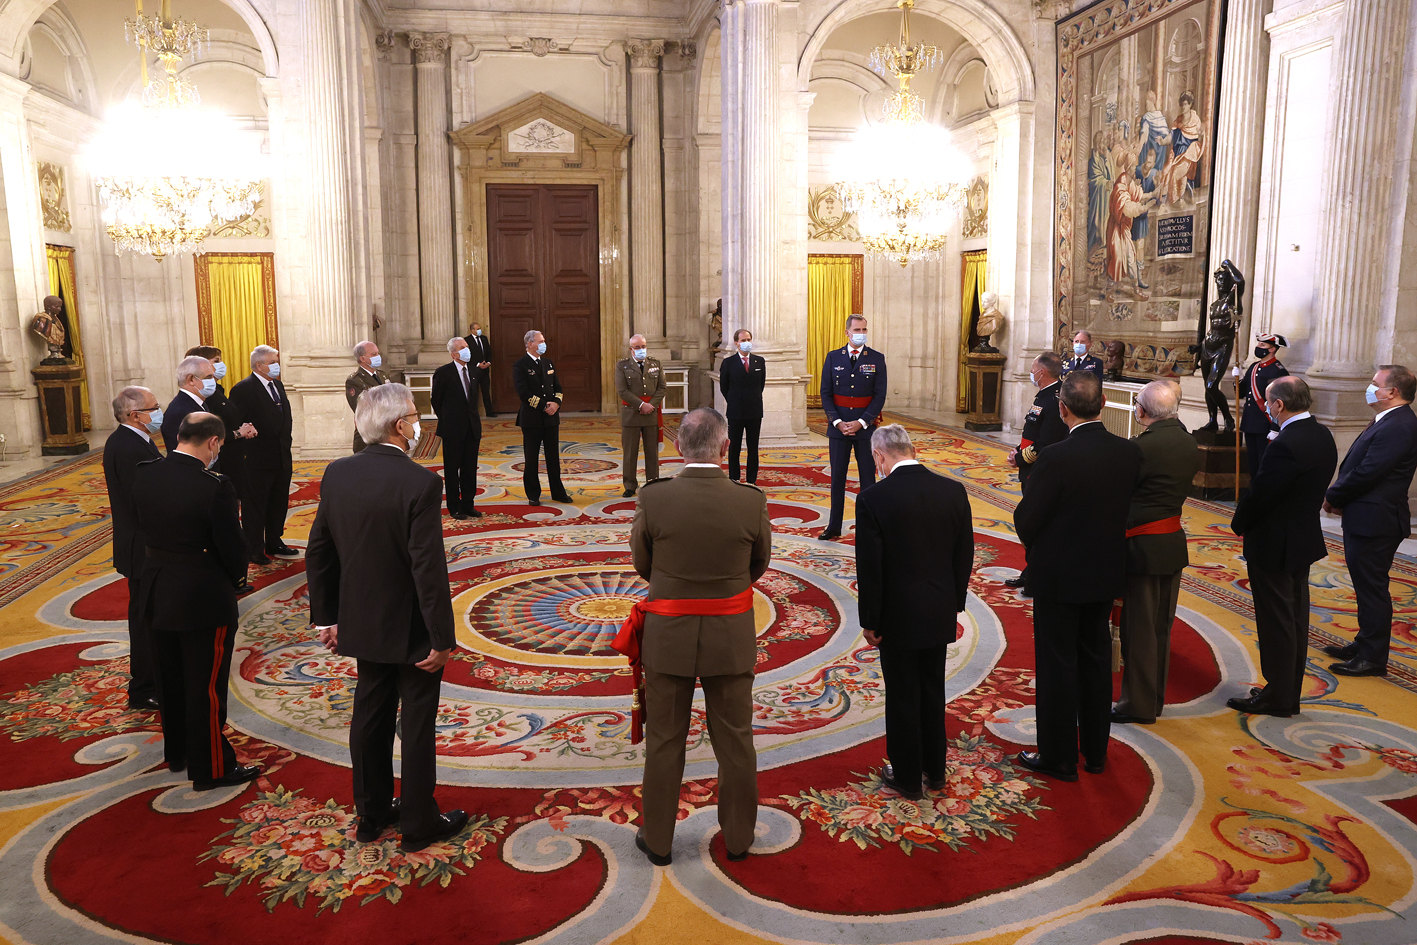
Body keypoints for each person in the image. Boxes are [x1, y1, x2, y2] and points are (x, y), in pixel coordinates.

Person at [307, 383, 468, 852]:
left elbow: (319, 550)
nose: (419, 423)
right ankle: (418, 822)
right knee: (416, 723)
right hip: (412, 626)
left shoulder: (337, 472)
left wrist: (326, 618)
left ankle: (371, 813)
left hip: (360, 619)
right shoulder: (420, 482)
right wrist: (441, 637)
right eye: (416, 416)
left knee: (370, 715)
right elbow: (426, 567)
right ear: (400, 426)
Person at [627, 407, 771, 865]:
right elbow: (758, 565)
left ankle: (658, 842)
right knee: (736, 740)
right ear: (726, 447)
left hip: (667, 636)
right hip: (730, 637)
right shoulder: (750, 500)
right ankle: (739, 840)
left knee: (665, 740)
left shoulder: (654, 497)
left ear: (677, 447)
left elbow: (642, 563)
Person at [1013, 371, 1141, 781]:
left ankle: (1059, 756)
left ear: (1062, 408)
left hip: (1059, 577)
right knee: (1096, 660)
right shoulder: (1129, 452)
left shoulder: (1054, 457)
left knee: (1057, 665)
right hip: (1105, 572)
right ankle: (1096, 752)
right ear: (1102, 404)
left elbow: (1026, 520)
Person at [132, 412, 257, 791]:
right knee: (205, 685)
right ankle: (212, 768)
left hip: (156, 589)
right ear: (214, 442)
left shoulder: (146, 473)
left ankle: (180, 753)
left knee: (169, 678)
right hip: (201, 596)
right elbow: (232, 547)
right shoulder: (215, 486)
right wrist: (236, 580)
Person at [855, 424, 973, 800]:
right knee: (932, 688)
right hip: (939, 609)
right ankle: (935, 769)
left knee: (903, 693)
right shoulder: (953, 490)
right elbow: (964, 555)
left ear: (879, 456)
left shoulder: (873, 498)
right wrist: (952, 604)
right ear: (913, 450)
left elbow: (870, 568)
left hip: (897, 615)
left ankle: (907, 775)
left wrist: (870, 620)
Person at [1228, 377, 1337, 717]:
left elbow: (1262, 493)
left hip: (1274, 544)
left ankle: (1277, 696)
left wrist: (1238, 523)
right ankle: (1287, 693)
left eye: (1267, 402)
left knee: (1277, 623)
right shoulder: (1321, 434)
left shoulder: (1287, 443)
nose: (1265, 407)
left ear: (1279, 404)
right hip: (1302, 539)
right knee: (1294, 620)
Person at [1112, 381, 1200, 725]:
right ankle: (1154, 698)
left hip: (1142, 547)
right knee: (1161, 627)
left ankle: (1138, 705)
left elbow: (1121, 493)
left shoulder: (1141, 448)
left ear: (1143, 410)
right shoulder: (1187, 441)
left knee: (1140, 631)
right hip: (1172, 544)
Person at [1322, 365, 1417, 678]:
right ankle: (1364, 643)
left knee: (1372, 589)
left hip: (1377, 520)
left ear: (1392, 392)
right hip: (1367, 516)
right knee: (1365, 586)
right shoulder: (1390, 419)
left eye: (1375, 383)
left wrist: (1334, 495)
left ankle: (1372, 658)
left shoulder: (1399, 425)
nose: (1370, 387)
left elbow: (1369, 472)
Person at [102, 386, 164, 711]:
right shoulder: (127, 447)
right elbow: (144, 499)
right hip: (142, 547)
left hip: (144, 543)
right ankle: (142, 688)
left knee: (151, 616)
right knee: (143, 621)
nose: (159, 411)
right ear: (135, 415)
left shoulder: (137, 438)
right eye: (155, 407)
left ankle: (155, 679)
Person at [1004, 352, 1069, 592]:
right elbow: (1032, 432)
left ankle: (1036, 576)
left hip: (1039, 471)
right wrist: (1017, 450)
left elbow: (1047, 443)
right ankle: (1031, 572)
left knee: (1035, 524)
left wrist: (1020, 459)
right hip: (1030, 467)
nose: (1031, 373)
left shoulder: (1053, 400)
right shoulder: (1044, 395)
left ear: (1042, 372)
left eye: (1033, 369)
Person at [820, 314, 887, 540]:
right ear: (847, 332)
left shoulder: (876, 358)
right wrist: (837, 422)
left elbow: (879, 396)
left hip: (865, 429)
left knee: (868, 480)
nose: (861, 334)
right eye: (857, 330)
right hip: (838, 429)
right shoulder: (833, 357)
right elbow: (826, 393)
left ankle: (867, 528)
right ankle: (834, 526)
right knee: (837, 479)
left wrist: (861, 422)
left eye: (864, 329)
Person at [229, 345, 298, 565]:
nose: (277, 365)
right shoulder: (243, 389)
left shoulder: (277, 385)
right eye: (272, 362)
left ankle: (274, 541)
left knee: (278, 502)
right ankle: (254, 548)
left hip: (281, 455)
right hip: (257, 458)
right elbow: (236, 423)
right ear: (259, 365)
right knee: (256, 505)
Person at [512, 330, 572, 506]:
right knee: (531, 458)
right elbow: (523, 392)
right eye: (540, 341)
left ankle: (558, 492)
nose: (543, 344)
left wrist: (556, 404)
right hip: (532, 419)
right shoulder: (520, 365)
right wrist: (544, 406)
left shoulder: (548, 363)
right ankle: (533, 494)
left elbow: (558, 388)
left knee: (553, 457)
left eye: (543, 341)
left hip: (551, 418)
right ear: (530, 344)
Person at [430, 337, 484, 519]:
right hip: (452, 429)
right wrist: (448, 419)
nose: (467, 349)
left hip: (472, 428)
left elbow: (474, 401)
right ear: (454, 354)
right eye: (463, 347)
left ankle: (468, 504)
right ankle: (454, 506)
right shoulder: (443, 372)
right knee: (452, 470)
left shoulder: (475, 371)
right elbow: (436, 401)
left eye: (467, 346)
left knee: (470, 469)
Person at [184, 345, 256, 477]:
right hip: (221, 458)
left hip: (234, 455)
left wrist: (244, 428)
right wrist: (239, 433)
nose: (221, 364)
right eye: (216, 361)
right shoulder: (204, 395)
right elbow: (209, 432)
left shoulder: (217, 390)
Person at [615, 334, 666, 497]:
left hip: (651, 414)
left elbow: (662, 388)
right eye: (637, 347)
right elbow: (622, 391)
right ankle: (630, 485)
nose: (641, 350)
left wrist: (651, 405)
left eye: (643, 346)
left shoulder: (656, 364)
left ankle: (653, 482)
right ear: (631, 349)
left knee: (652, 452)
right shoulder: (622, 366)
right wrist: (641, 405)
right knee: (630, 453)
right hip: (631, 414)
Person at [1236, 333, 1290, 480]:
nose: (1258, 347)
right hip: (1250, 423)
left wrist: (1275, 427)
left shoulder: (1278, 371)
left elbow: (1280, 402)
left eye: (1262, 345)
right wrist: (1237, 380)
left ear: (1272, 349)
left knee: (1264, 463)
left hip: (1265, 424)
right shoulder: (1254, 367)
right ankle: (1254, 489)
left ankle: (1262, 490)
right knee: (1252, 462)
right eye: (1259, 344)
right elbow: (1241, 393)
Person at [719, 328, 766, 484]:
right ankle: (734, 478)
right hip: (736, 411)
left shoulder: (759, 361)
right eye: (743, 340)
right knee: (734, 447)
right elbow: (724, 387)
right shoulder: (728, 363)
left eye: (749, 340)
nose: (747, 343)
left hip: (754, 411)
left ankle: (752, 480)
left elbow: (761, 385)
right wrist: (734, 400)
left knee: (753, 447)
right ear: (736, 343)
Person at [161, 356, 217, 455]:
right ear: (191, 379)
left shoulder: (199, 403)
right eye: (208, 377)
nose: (213, 381)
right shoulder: (180, 411)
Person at [346, 340, 389, 453]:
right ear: (362, 359)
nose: (378, 356)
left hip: (386, 429)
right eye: (374, 354)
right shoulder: (355, 380)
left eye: (378, 353)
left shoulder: (383, 375)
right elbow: (361, 408)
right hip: (369, 433)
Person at [463, 322, 495, 417]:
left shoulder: (484, 339)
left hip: (485, 370)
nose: (479, 330)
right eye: (477, 329)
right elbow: (467, 355)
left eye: (479, 328)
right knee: (474, 392)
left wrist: (488, 363)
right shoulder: (467, 340)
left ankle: (489, 412)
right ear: (472, 330)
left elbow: (488, 351)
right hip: (474, 370)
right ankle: (473, 412)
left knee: (486, 391)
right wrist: (478, 364)